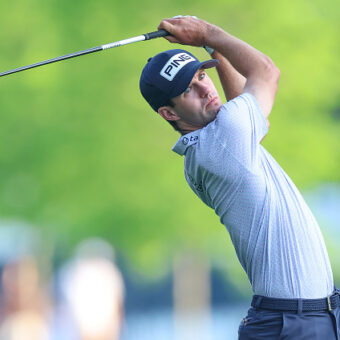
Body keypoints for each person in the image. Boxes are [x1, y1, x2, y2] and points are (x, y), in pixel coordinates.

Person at [139, 16, 340, 339]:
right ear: (170, 113)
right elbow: (266, 72)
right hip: (289, 324)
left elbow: (247, 114)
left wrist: (214, 51)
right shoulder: (220, 143)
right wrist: (208, 34)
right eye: (189, 89)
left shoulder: (218, 142)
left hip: (304, 318)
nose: (205, 88)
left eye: (202, 75)